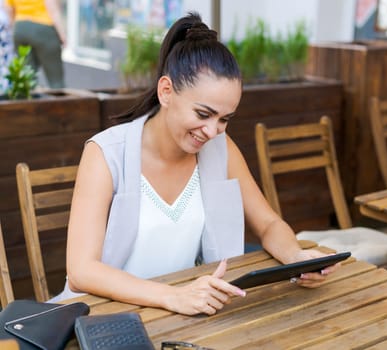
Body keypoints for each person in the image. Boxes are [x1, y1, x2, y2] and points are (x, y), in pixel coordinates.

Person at [57, 12, 340, 316]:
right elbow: (81, 271)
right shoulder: (106, 153)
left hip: (180, 315)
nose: (212, 131)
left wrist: (296, 256)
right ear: (166, 91)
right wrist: (172, 297)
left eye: (224, 119)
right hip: (104, 317)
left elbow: (268, 223)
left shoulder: (220, 148)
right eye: (203, 114)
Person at [5, 0, 66, 88]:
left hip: (20, 27)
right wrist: (63, 35)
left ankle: (28, 100)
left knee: (27, 79)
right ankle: (61, 101)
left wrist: (16, 29)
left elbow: (9, 10)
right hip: (44, 28)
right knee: (55, 80)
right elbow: (54, 10)